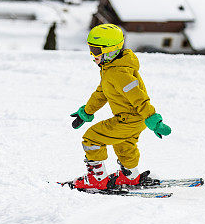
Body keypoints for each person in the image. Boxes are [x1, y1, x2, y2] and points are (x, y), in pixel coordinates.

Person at [70, 24, 172, 190]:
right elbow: (101, 94)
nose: (91, 54)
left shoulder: (119, 73)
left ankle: (97, 179)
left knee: (92, 138)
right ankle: (129, 176)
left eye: (95, 50)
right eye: (90, 48)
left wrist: (153, 119)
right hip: (132, 120)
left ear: (110, 50)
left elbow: (139, 98)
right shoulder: (110, 69)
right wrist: (85, 112)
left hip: (130, 119)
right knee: (124, 145)